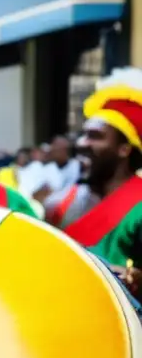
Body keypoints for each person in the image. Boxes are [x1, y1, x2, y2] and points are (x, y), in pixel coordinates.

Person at [53, 68, 142, 282]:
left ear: (124, 149)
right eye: (83, 135)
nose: (81, 143)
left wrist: (136, 279)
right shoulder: (63, 202)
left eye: (95, 136)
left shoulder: (138, 205)